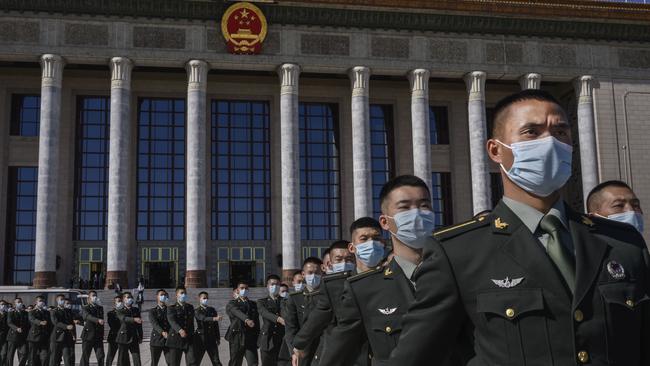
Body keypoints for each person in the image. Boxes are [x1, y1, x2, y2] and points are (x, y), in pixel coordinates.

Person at [389, 89, 650, 365]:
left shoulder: (622, 243)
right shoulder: (458, 253)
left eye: (560, 131)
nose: (551, 142)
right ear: (496, 150)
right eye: (532, 132)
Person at [323, 183, 434, 366]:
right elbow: (339, 351)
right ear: (385, 221)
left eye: (424, 206)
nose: (416, 214)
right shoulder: (363, 288)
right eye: (404, 207)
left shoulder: (456, 274)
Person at [292, 239, 360, 366]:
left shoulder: (364, 281)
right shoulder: (330, 286)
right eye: (338, 259)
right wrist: (299, 344)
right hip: (334, 349)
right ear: (330, 264)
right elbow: (319, 315)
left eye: (349, 259)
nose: (344, 263)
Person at [282, 257, 322, 366]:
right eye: (310, 272)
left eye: (317, 272)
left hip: (324, 348)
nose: (313, 276)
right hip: (303, 350)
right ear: (303, 275)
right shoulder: (295, 298)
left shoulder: (327, 296)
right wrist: (294, 351)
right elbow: (290, 327)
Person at [225, 281, 260, 366]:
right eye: (242, 288)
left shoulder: (253, 304)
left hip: (250, 337)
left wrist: (258, 338)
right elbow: (236, 312)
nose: (244, 290)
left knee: (253, 363)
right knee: (235, 363)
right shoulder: (232, 303)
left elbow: (257, 322)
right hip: (236, 337)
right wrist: (247, 320)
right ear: (237, 290)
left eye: (246, 288)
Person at [257, 275, 286, 366]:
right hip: (267, 339)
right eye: (272, 284)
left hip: (282, 338)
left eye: (277, 284)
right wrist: (278, 319)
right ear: (267, 286)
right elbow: (264, 313)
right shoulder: (262, 301)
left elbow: (285, 312)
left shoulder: (285, 301)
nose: (275, 286)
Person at [166, 287, 195, 366]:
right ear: (176, 295)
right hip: (175, 338)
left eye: (185, 293)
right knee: (174, 363)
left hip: (188, 338)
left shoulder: (190, 307)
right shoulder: (171, 308)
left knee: (192, 361)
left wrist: (192, 334)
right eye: (181, 293)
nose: (184, 295)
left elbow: (191, 322)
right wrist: (180, 330)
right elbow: (171, 321)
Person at [194, 292, 223, 366]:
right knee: (196, 361)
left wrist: (217, 337)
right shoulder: (197, 310)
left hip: (211, 338)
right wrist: (214, 318)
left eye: (207, 298)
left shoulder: (212, 309)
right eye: (204, 298)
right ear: (199, 299)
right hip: (201, 339)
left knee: (216, 361)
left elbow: (215, 325)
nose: (206, 300)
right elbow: (203, 318)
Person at [116, 292, 143, 366]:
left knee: (137, 358)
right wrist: (134, 319)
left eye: (130, 297)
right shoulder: (120, 310)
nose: (129, 299)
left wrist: (140, 336)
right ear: (123, 299)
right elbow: (123, 318)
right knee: (122, 359)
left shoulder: (136, 310)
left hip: (134, 337)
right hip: (123, 337)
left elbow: (139, 324)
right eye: (127, 297)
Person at [50, 296, 77, 366]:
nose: (63, 301)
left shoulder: (68, 311)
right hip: (57, 337)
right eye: (61, 299)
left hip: (67, 337)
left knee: (68, 357)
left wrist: (73, 335)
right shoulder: (54, 311)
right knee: (54, 358)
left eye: (63, 299)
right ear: (57, 301)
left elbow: (71, 323)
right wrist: (66, 326)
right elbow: (56, 322)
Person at [80, 291, 105, 366]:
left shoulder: (100, 308)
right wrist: (97, 320)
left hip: (98, 336)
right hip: (88, 335)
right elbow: (87, 316)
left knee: (101, 355)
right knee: (86, 356)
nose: (95, 297)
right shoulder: (85, 307)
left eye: (96, 296)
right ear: (89, 298)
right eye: (93, 295)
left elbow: (102, 321)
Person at [149, 289, 171, 366]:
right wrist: (162, 332)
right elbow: (154, 324)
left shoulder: (170, 310)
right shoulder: (152, 311)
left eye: (165, 295)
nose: (163, 296)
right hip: (156, 340)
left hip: (168, 340)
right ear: (157, 297)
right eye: (161, 295)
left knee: (171, 362)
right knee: (154, 363)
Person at [106, 295, 122, 366]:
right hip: (114, 336)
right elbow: (112, 325)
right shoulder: (110, 313)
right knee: (110, 355)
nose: (119, 303)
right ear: (114, 303)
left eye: (120, 301)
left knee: (121, 356)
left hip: (123, 337)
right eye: (118, 301)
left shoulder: (125, 312)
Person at [0, 300, 10, 366]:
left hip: (5, 337)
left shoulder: (8, 314)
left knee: (4, 353)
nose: (3, 306)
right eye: (1, 304)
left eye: (4, 304)